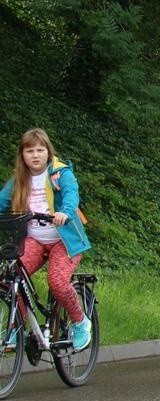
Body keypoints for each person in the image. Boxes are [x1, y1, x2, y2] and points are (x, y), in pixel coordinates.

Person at [0, 128, 92, 350]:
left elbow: (71, 193)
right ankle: (18, 329)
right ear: (22, 154)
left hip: (64, 240)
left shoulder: (60, 173)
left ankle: (80, 322)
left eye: (40, 150)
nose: (35, 155)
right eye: (29, 150)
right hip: (34, 240)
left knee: (58, 281)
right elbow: (2, 200)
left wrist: (65, 212)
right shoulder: (19, 179)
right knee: (11, 277)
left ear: (48, 152)